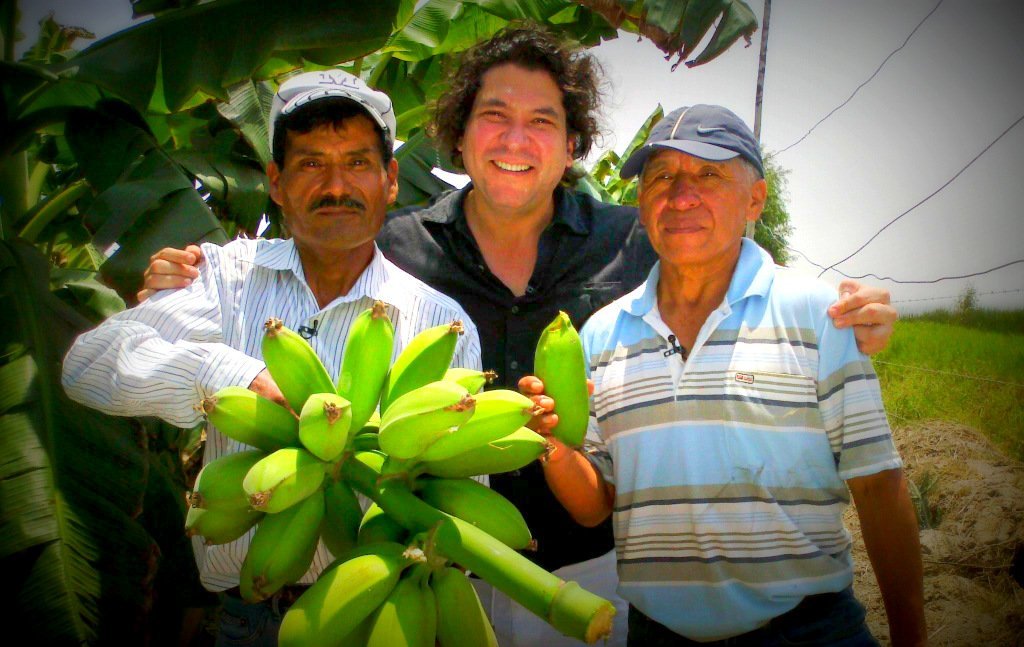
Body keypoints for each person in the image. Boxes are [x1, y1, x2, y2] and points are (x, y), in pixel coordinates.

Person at [138, 25, 899, 647]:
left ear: (572, 146)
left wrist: (853, 305)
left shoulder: (631, 238)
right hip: (432, 568)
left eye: (544, 122)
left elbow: (736, 272)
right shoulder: (395, 250)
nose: (516, 138)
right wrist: (185, 274)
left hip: (594, 571)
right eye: (494, 116)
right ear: (459, 140)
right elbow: (297, 261)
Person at [61, 69, 481, 646]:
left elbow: (461, 500)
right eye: (311, 163)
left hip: (381, 618)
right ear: (277, 183)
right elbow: (89, 364)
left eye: (358, 163)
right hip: (244, 619)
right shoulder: (221, 277)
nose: (337, 185)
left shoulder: (439, 322)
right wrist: (230, 376)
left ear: (389, 182)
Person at [523, 104, 926, 646]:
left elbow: (878, 485)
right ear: (641, 203)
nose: (680, 195)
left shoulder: (819, 315)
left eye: (708, 174)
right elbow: (595, 505)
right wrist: (552, 443)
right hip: (656, 634)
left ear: (754, 198)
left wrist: (912, 636)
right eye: (661, 176)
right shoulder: (599, 336)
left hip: (806, 632)